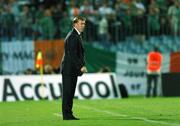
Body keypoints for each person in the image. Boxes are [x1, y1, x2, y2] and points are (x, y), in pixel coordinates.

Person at [60, 16, 87, 120]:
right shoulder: (72, 36)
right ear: (75, 24)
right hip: (69, 69)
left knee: (70, 93)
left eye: (84, 24)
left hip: (71, 69)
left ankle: (68, 113)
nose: (83, 26)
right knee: (68, 93)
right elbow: (72, 54)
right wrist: (81, 66)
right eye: (81, 23)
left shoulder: (76, 35)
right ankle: (66, 115)